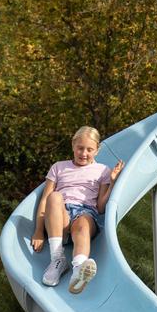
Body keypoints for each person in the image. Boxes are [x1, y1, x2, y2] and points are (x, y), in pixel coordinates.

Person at [29, 126, 124, 295]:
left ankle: (79, 269)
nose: (84, 153)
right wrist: (38, 231)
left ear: (97, 150)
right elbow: (45, 200)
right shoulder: (58, 167)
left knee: (83, 223)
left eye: (89, 149)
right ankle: (57, 259)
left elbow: (101, 207)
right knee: (54, 197)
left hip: (86, 214)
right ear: (73, 145)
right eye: (80, 148)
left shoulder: (102, 170)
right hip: (60, 218)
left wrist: (112, 182)